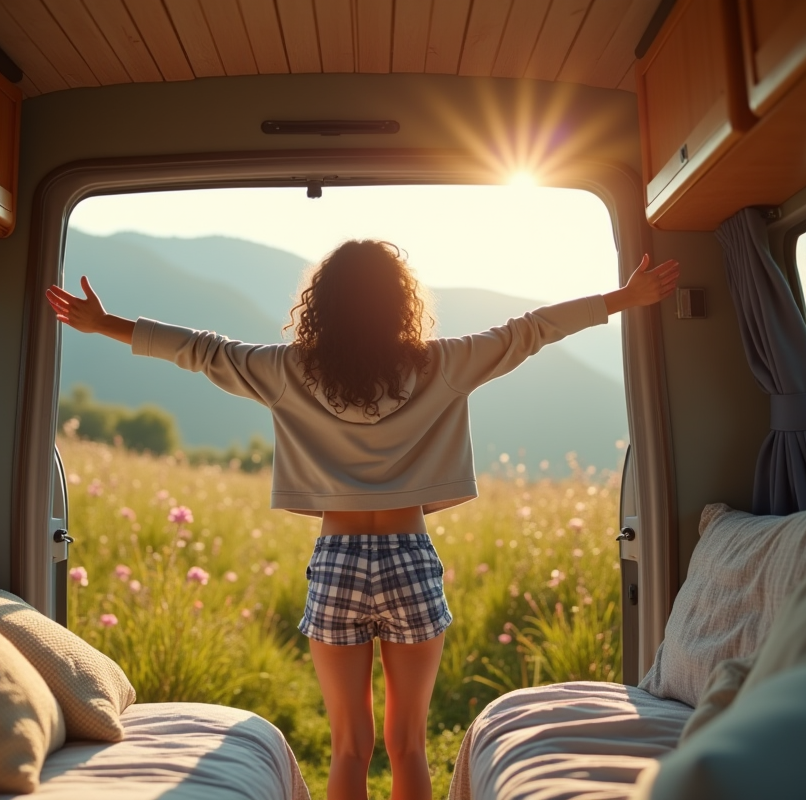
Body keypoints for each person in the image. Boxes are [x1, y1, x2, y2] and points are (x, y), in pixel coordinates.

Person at [45, 240, 680, 800]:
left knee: (349, 746)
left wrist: (105, 326)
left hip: (338, 562)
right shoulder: (441, 363)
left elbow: (200, 350)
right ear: (398, 302)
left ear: (323, 304)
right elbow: (531, 329)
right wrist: (624, 297)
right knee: (408, 743)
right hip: (409, 557)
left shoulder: (288, 369)